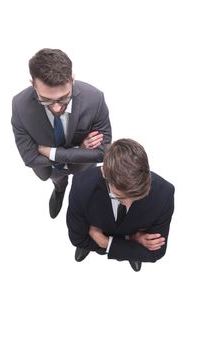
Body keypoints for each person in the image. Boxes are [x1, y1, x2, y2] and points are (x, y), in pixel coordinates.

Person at [11, 48, 112, 218]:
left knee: (85, 191)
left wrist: (50, 151)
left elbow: (103, 153)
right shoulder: (20, 105)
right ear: (33, 84)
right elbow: (29, 158)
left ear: (72, 80)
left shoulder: (95, 98)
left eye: (64, 98)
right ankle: (60, 189)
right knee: (59, 181)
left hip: (82, 167)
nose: (57, 107)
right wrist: (80, 150)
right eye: (46, 100)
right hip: (51, 169)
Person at [67, 139, 175, 271]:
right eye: (120, 197)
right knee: (85, 243)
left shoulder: (164, 193)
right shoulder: (82, 186)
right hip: (110, 241)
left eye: (137, 196)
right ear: (104, 173)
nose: (129, 204)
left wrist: (105, 242)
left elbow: (155, 253)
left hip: (100, 236)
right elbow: (78, 239)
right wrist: (133, 242)